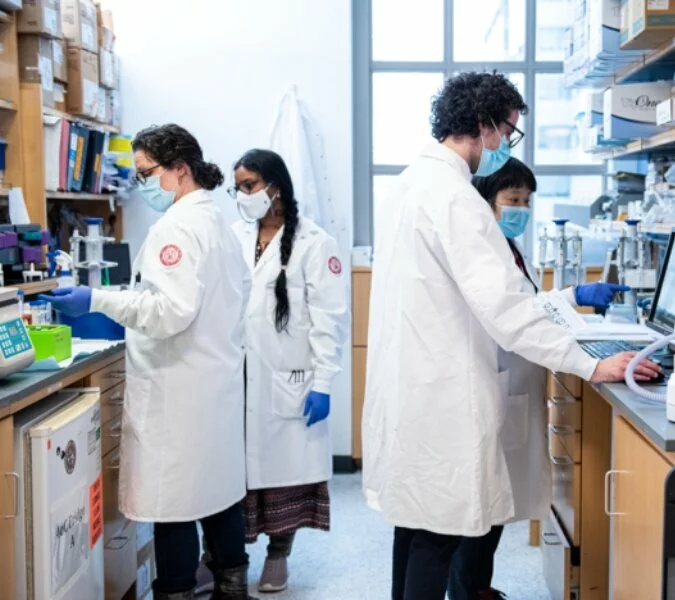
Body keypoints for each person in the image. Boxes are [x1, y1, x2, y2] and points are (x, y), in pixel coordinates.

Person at [361, 72, 660, 600]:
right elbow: (506, 309)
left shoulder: (409, 184)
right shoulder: (457, 198)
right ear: (482, 125)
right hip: (444, 394)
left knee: (415, 525)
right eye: (507, 133)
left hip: (415, 386)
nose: (504, 147)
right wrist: (590, 363)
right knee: (438, 534)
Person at [41, 124, 256, 600]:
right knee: (217, 495)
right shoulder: (215, 220)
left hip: (177, 391)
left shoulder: (176, 227)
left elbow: (168, 312)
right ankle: (232, 585)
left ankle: (176, 590)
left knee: (173, 503)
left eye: (145, 174)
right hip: (212, 383)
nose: (139, 185)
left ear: (180, 170)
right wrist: (124, 301)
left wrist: (97, 299)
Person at [447, 157, 629, 600]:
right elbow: (514, 320)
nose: (521, 210)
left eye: (527, 201)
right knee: (481, 506)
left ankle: (475, 587)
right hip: (489, 387)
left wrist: (572, 295)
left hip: (507, 385)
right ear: (484, 203)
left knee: (493, 504)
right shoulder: (482, 251)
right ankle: (467, 591)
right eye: (512, 200)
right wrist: (587, 363)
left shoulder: (506, 249)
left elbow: (524, 305)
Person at [196, 149, 348, 595]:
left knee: (287, 476)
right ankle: (219, 558)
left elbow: (330, 320)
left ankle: (278, 555)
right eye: (237, 187)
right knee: (227, 477)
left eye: (248, 186)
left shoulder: (315, 243)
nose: (241, 195)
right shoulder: (233, 236)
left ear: (274, 187)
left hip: (290, 379)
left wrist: (323, 384)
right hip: (234, 376)